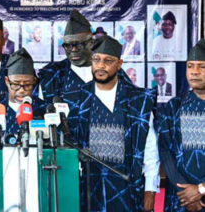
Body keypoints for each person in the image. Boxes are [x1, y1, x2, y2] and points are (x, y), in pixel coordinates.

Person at [64, 36, 160, 211]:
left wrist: (150, 191)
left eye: (108, 61)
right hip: (87, 189)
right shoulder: (75, 98)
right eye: (96, 60)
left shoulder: (138, 99)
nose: (101, 65)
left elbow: (150, 149)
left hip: (127, 188)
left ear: (119, 64)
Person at [38, 10, 132, 104]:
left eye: (79, 44)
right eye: (68, 45)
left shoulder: (111, 71)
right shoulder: (51, 74)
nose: (73, 50)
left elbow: (131, 104)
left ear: (92, 43)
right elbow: (40, 111)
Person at [155, 39, 205, 211]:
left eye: (202, 66)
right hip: (181, 199)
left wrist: (200, 189)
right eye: (190, 66)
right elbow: (165, 151)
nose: (195, 72)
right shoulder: (174, 106)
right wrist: (186, 193)